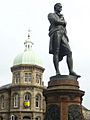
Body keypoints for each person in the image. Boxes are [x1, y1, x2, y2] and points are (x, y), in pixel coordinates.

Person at [48, 3, 80, 77]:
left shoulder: (62, 16)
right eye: (60, 7)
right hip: (56, 32)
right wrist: (63, 22)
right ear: (55, 7)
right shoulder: (51, 14)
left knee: (69, 52)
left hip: (63, 35)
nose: (61, 8)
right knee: (56, 52)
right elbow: (55, 21)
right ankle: (57, 71)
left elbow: (64, 27)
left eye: (61, 7)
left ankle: (71, 71)